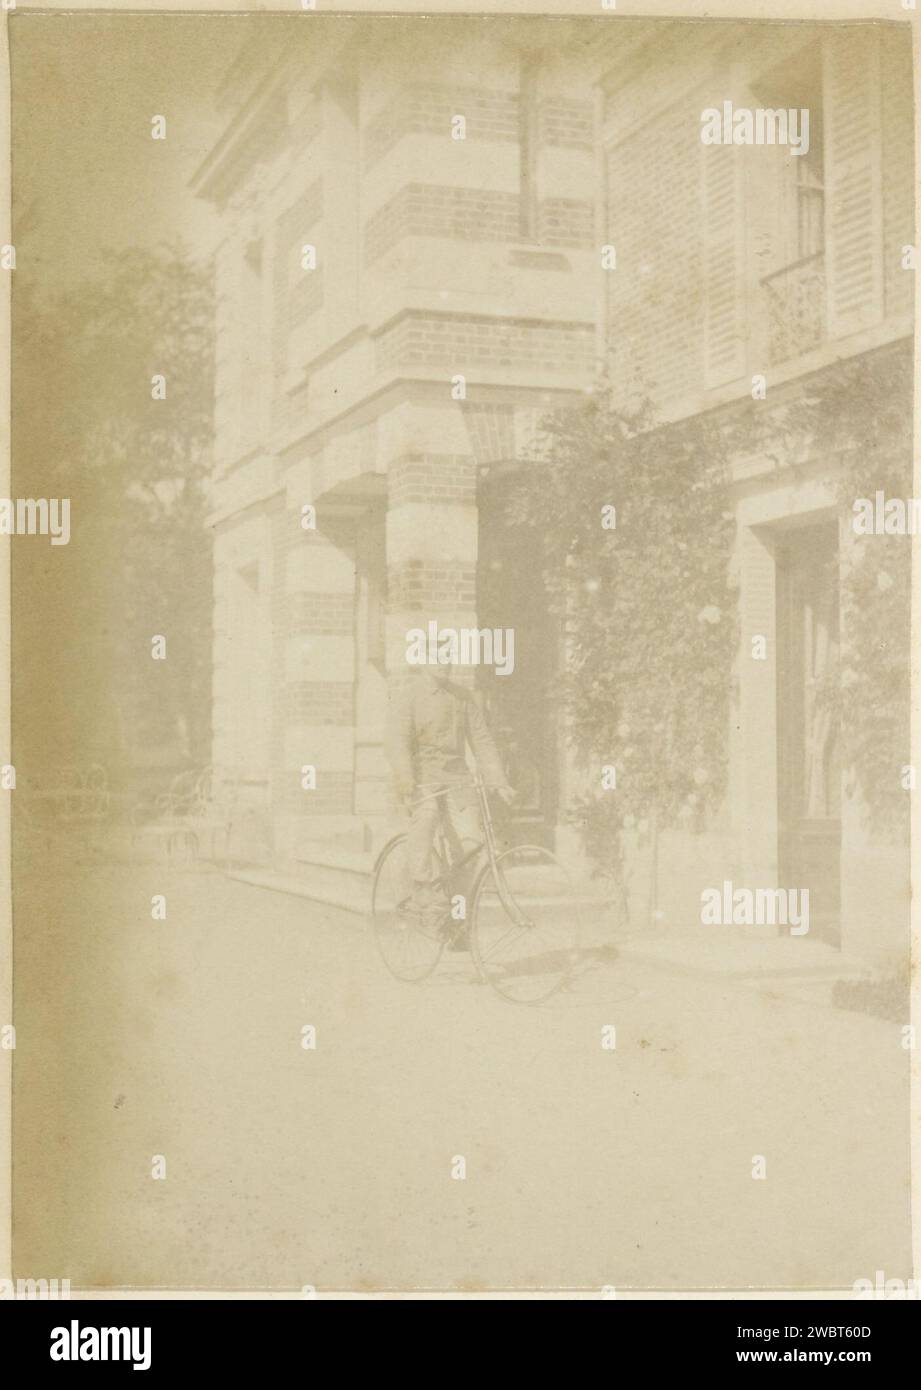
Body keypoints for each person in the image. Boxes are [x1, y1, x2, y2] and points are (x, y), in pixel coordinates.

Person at [385, 664, 516, 940]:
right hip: (423, 780)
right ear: (425, 661)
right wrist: (406, 778)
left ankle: (457, 920)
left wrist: (498, 781)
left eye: (449, 656)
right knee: (427, 819)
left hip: (458, 780)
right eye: (437, 656)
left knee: (472, 845)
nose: (444, 663)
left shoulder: (462, 697)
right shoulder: (409, 696)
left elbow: (481, 741)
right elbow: (397, 741)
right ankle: (424, 894)